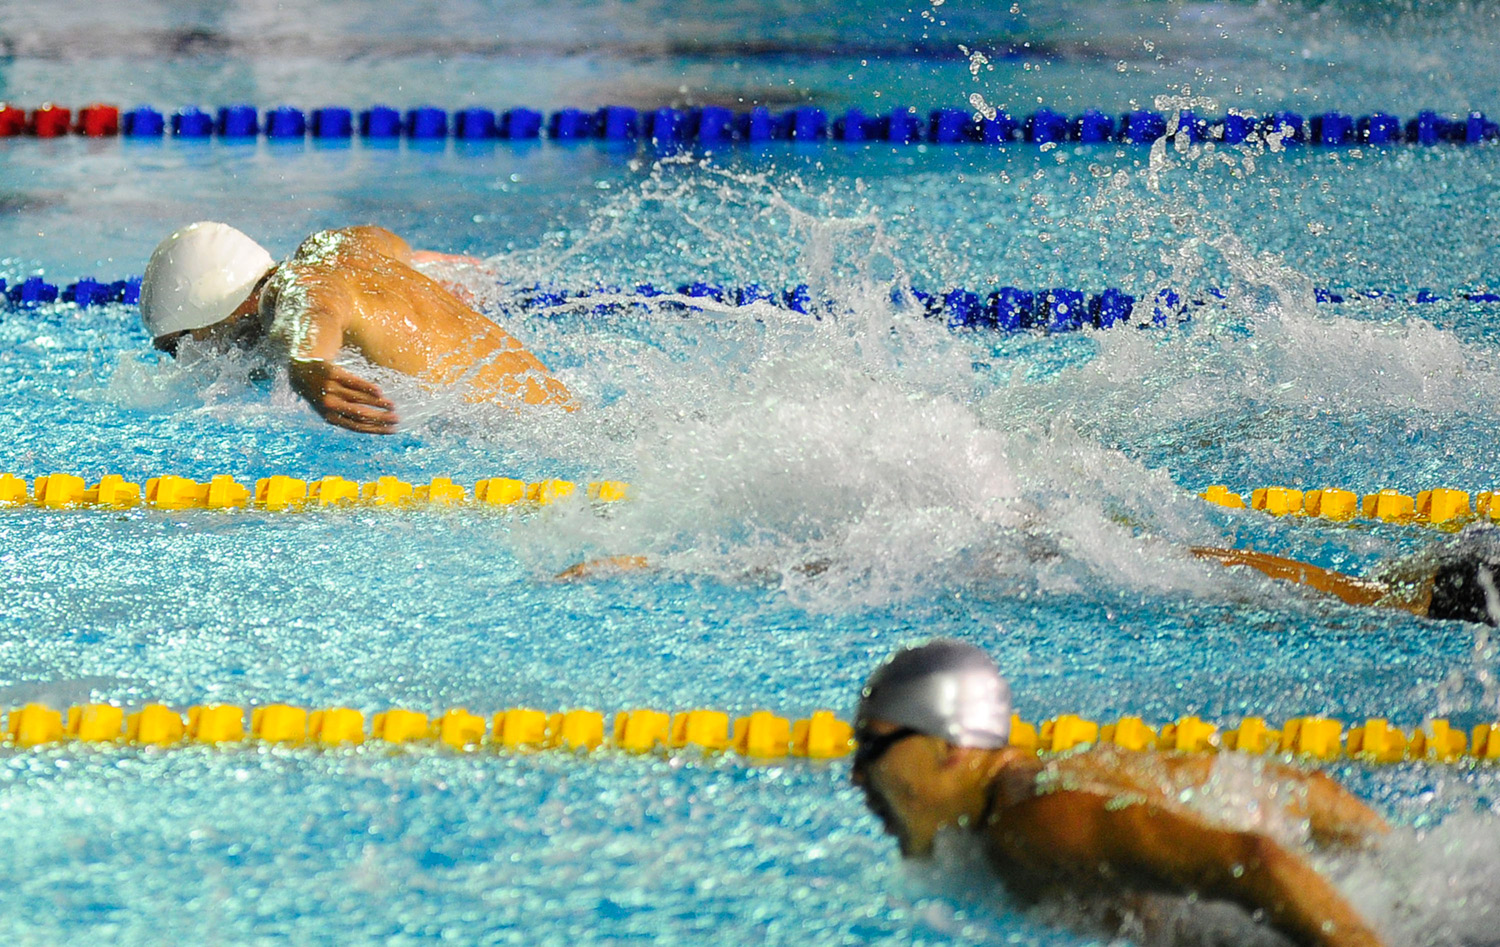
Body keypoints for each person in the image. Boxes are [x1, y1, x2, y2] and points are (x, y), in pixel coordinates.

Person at [851, 639, 1389, 947]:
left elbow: (1254, 860)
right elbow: (1295, 789)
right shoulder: (1073, 771)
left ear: (952, 748)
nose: (857, 776)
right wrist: (1393, 860)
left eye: (871, 749)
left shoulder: (1031, 824)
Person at [139, 221, 574, 433]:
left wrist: (308, 364)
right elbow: (391, 244)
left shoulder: (288, 291)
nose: (189, 362)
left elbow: (313, 308)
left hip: (531, 440)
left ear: (206, 318)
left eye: (179, 348)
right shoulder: (334, 247)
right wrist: (434, 270)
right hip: (563, 415)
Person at [1194, 522, 1500, 626]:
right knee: (1343, 594)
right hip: (1476, 587)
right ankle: (1188, 561)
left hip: (1480, 563)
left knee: (1349, 589)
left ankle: (1190, 559)